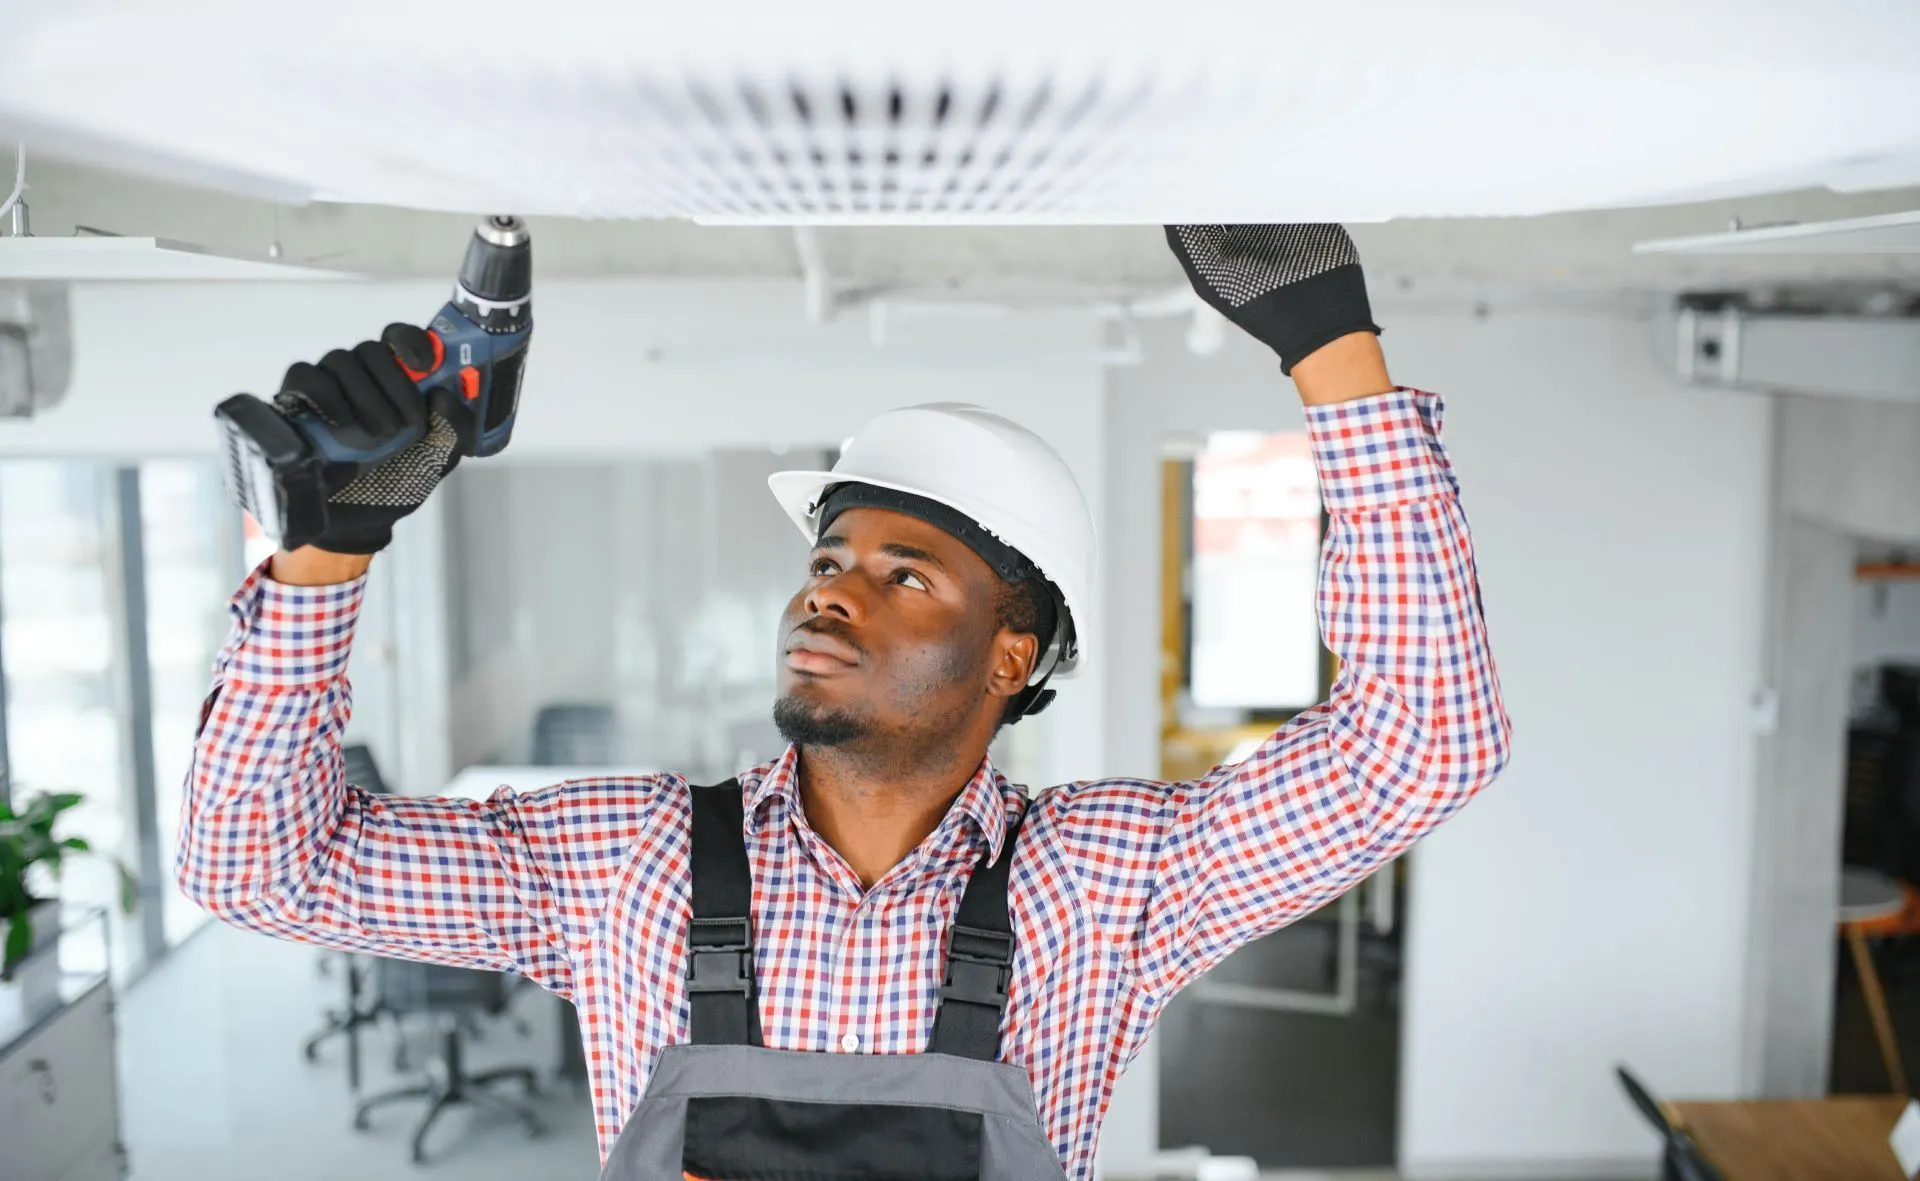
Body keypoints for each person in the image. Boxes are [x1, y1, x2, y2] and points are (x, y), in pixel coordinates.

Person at [179, 224, 1509, 1180]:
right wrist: (327, 553)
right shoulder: (625, 860)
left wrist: (1331, 352)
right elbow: (255, 867)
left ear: (1010, 658)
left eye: (903, 575)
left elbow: (1424, 743)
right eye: (826, 562)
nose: (827, 597)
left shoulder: (1110, 883)